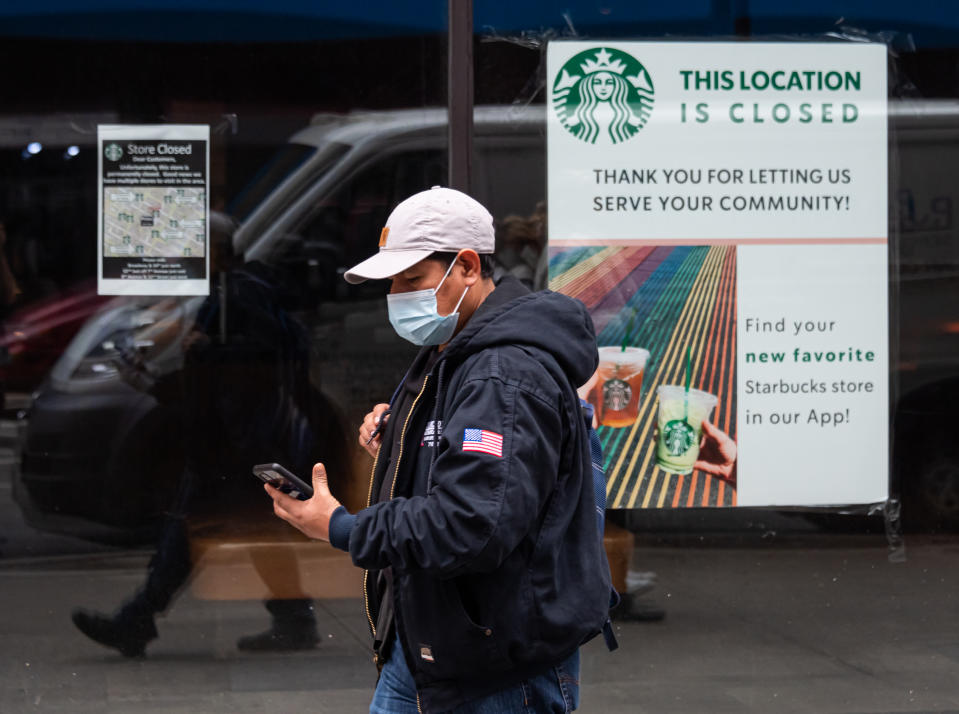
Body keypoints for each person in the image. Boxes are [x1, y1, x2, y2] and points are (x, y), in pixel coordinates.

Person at [265, 187, 612, 713]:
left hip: (493, 668)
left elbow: (471, 524)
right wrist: (411, 431)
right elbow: (493, 466)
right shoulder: (459, 350)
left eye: (413, 280)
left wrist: (340, 527)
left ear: (468, 266)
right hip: (440, 648)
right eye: (392, 284)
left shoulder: (503, 372)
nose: (399, 296)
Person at [71, 217, 346, 657]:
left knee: (193, 527)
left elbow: (259, 357)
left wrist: (204, 351)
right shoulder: (231, 289)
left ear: (215, 250)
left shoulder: (238, 290)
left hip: (237, 439)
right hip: (233, 437)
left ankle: (138, 619)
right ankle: (292, 619)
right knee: (233, 527)